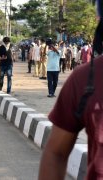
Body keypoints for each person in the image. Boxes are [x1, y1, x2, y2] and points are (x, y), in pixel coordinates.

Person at [38, 2, 103, 178]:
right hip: (50, 70)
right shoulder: (84, 79)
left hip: (55, 70)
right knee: (50, 84)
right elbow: (55, 153)